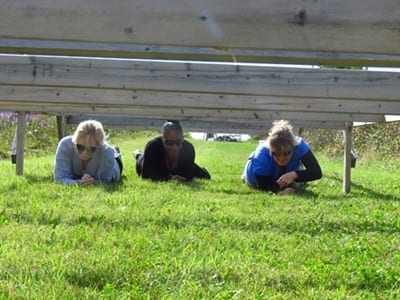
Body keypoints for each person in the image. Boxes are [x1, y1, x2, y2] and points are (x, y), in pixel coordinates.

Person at [242, 120, 322, 194]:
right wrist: (280, 191)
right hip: (256, 178)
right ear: (270, 149)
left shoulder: (299, 145)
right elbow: (263, 185)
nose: (281, 159)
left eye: (286, 153)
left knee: (296, 182)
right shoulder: (262, 153)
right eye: (275, 154)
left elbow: (316, 172)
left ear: (293, 147)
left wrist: (294, 174)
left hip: (289, 173)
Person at [134, 120, 211, 181]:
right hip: (150, 163)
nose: (174, 147)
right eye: (169, 142)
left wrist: (184, 179)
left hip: (176, 168)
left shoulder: (188, 148)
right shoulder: (153, 146)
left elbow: (189, 176)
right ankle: (138, 154)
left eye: (178, 142)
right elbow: (147, 176)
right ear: (162, 139)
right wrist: (169, 179)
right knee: (141, 158)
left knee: (203, 175)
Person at [54, 119, 122, 185]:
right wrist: (81, 182)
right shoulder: (65, 145)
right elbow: (60, 178)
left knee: (114, 176)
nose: (85, 153)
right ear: (75, 140)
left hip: (113, 162)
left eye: (91, 149)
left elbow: (105, 181)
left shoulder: (107, 152)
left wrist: (94, 182)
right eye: (80, 147)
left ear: (99, 145)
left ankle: (115, 152)